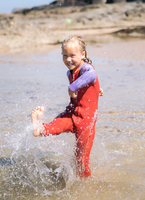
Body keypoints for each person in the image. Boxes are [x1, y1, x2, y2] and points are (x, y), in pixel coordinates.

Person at [31, 35, 103, 178]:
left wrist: (76, 86)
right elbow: (87, 84)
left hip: (85, 121)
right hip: (72, 113)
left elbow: (92, 75)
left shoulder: (86, 68)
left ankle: (84, 184)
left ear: (82, 54)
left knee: (81, 158)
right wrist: (96, 89)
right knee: (54, 127)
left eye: (72, 55)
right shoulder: (69, 72)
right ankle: (39, 127)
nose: (68, 59)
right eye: (65, 56)